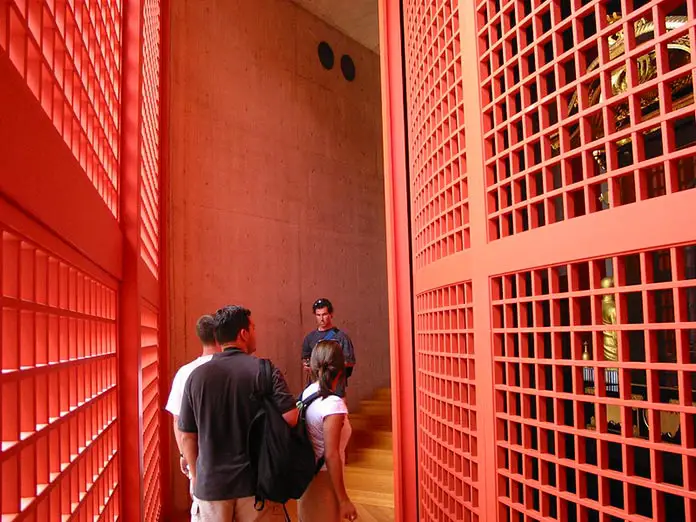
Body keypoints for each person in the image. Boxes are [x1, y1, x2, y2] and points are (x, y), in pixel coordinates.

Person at [178, 305, 299, 522]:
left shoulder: (196, 377)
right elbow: (291, 417)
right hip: (256, 485)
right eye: (253, 328)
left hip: (211, 487)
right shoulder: (265, 370)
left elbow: (187, 435)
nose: (255, 333)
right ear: (243, 334)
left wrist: (196, 477)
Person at [165, 314, 220, 520]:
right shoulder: (232, 369)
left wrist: (185, 457)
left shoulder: (185, 373)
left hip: (198, 458)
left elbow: (178, 420)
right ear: (218, 336)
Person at [298, 340, 358, 522]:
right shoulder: (333, 404)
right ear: (341, 370)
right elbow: (331, 455)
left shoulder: (306, 393)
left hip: (307, 476)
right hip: (324, 480)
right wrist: (343, 499)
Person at [301, 298, 356, 395]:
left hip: (336, 386)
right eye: (318, 315)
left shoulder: (341, 337)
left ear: (331, 315)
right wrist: (309, 365)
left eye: (324, 314)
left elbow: (350, 362)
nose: (321, 318)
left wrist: (330, 365)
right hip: (315, 386)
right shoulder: (309, 338)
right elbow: (305, 362)